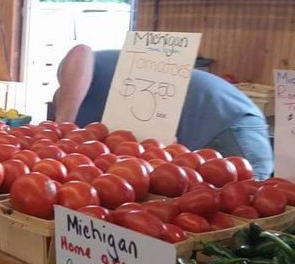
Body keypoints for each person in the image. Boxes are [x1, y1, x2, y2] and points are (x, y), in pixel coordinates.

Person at [53, 44, 273, 179]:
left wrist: (62, 123)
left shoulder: (76, 79)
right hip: (206, 132)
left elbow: (80, 51)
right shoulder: (95, 114)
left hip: (228, 121)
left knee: (251, 207)